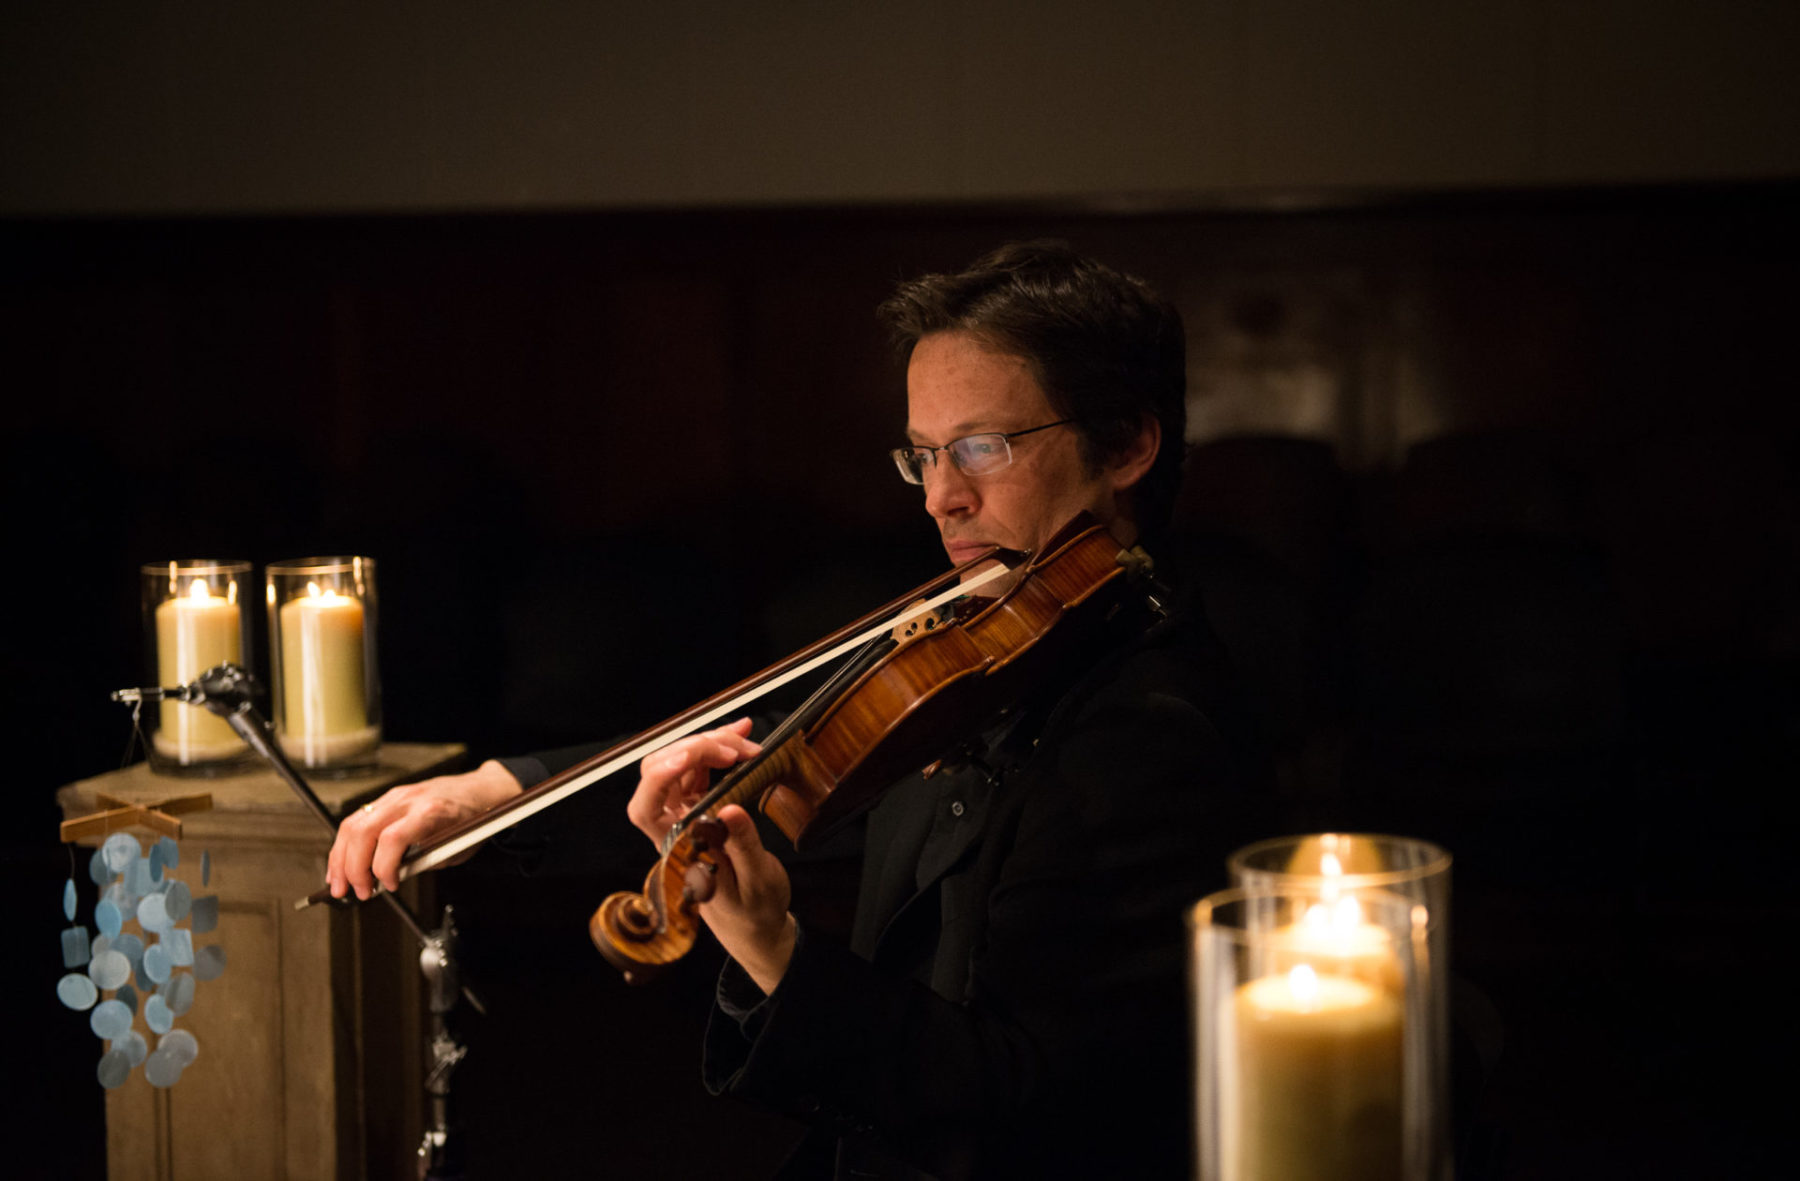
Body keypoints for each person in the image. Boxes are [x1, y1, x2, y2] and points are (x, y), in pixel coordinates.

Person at [327, 241, 1268, 1179]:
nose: (943, 496)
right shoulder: (987, 639)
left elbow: (1022, 1105)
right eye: (925, 454)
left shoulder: (1156, 733)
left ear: (1129, 446)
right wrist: (497, 791)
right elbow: (763, 744)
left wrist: (777, 952)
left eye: (983, 446)